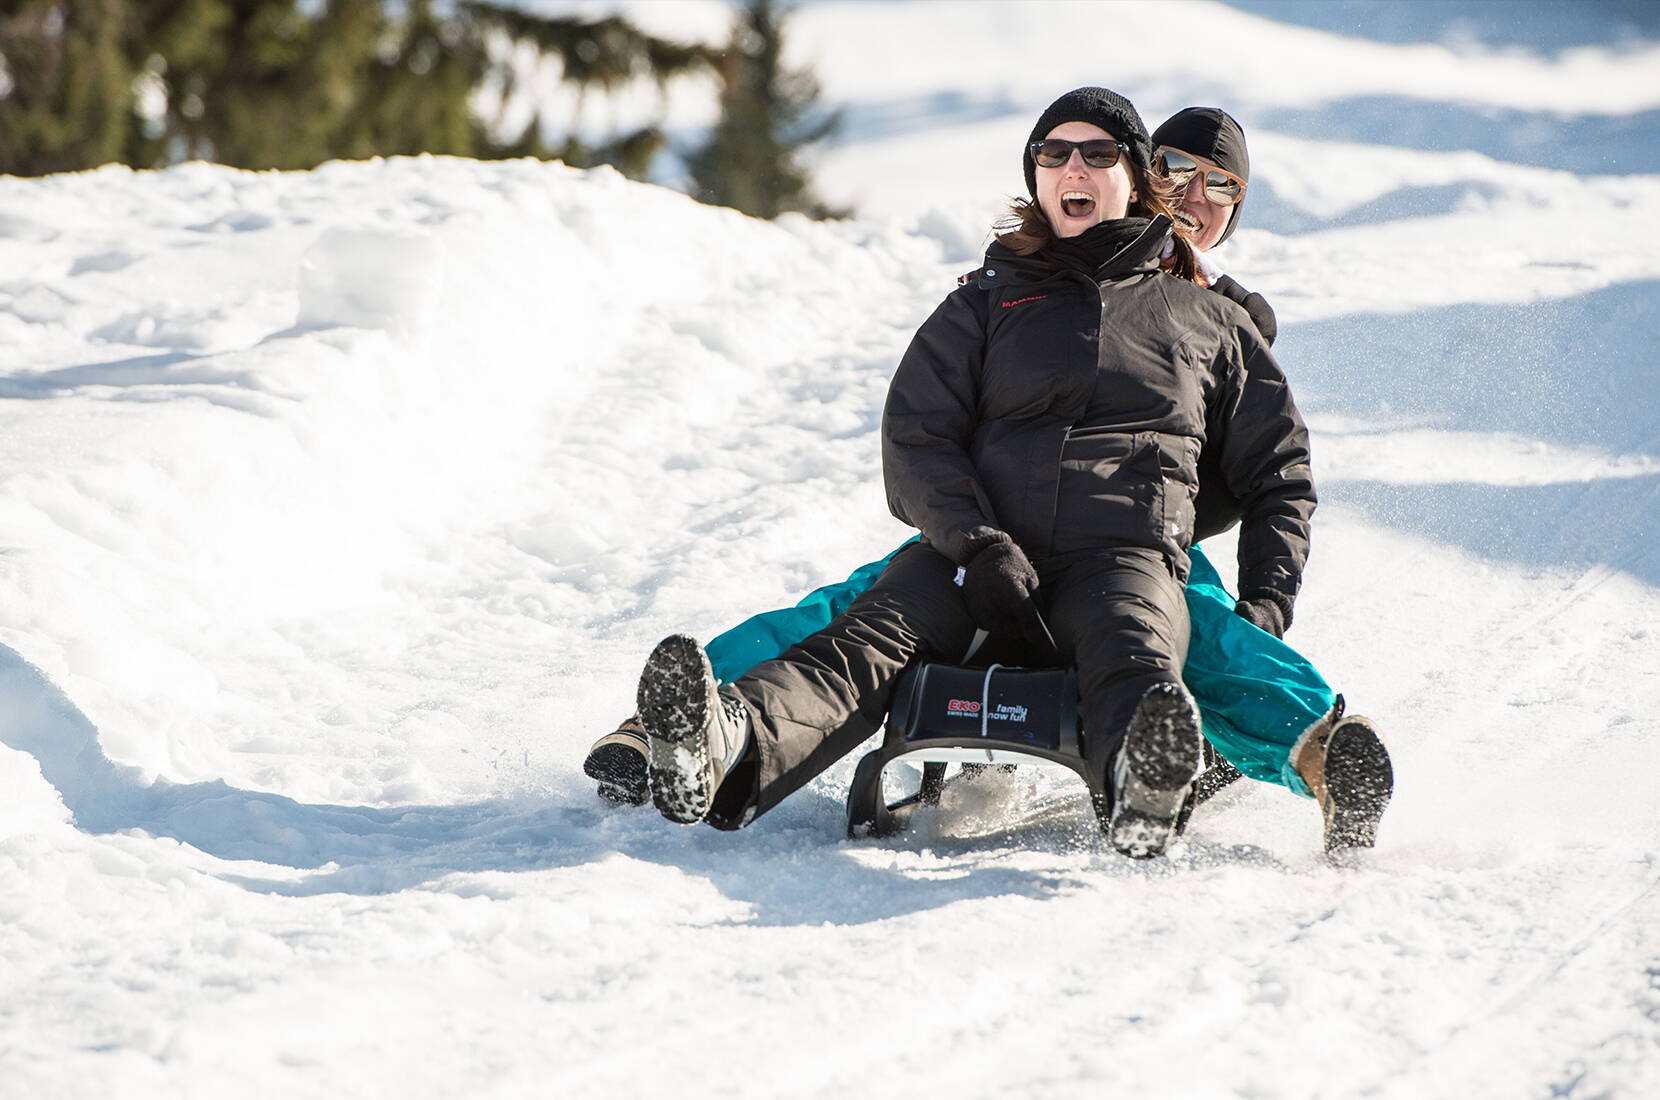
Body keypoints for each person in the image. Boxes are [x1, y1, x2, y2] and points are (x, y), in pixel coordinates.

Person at [588, 99, 1393, 854]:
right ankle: (713, 735)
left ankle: (1236, 762)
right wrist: (972, 538)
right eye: (1180, 167)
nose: (1196, 191)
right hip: (986, 542)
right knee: (859, 617)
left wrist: (1266, 601)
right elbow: (919, 434)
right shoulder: (994, 296)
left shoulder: (1222, 320)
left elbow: (1276, 476)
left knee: (1183, 638)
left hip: (1137, 543)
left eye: (1223, 184)